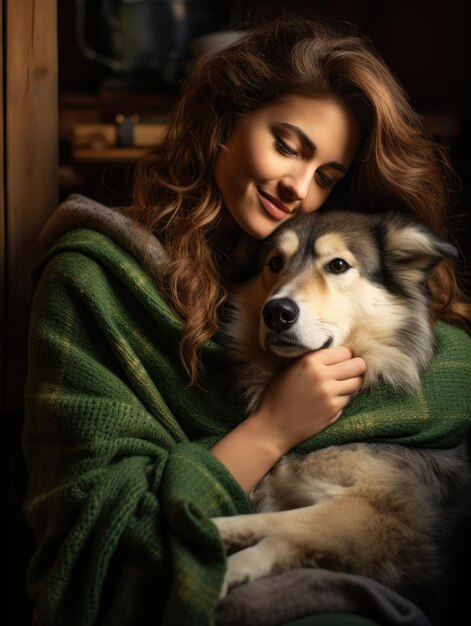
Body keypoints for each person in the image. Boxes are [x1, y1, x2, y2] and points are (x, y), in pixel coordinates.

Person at [22, 15, 471, 626]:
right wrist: (271, 429)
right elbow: (97, 530)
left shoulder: (321, 263)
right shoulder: (93, 282)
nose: (299, 189)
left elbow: (452, 378)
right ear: (224, 120)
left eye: (326, 176)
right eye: (287, 145)